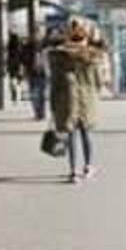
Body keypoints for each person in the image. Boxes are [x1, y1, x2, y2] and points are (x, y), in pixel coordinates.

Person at [50, 21, 103, 183]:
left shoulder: (60, 59)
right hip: (87, 100)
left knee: (71, 135)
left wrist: (53, 105)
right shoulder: (92, 58)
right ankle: (87, 167)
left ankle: (73, 171)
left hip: (67, 101)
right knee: (86, 134)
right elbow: (98, 83)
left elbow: (55, 84)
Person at [22, 33, 46, 120]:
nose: (38, 40)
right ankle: (37, 112)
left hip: (43, 73)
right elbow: (24, 60)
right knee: (34, 94)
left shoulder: (45, 49)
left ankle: (41, 113)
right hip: (32, 73)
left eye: (39, 39)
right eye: (36, 38)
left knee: (42, 95)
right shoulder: (28, 49)